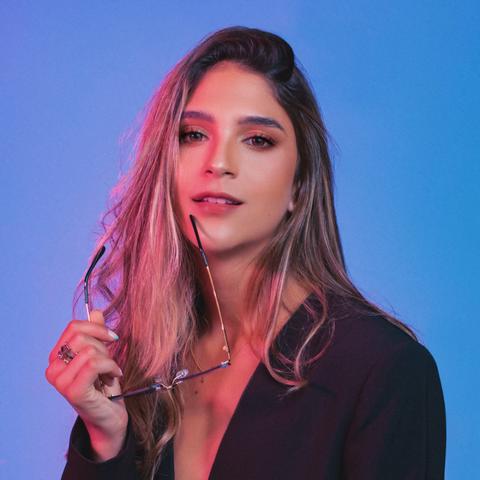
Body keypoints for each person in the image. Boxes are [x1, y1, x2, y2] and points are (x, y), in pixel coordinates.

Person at [46, 27, 446, 480]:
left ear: (299, 186)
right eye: (193, 134)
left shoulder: (382, 370)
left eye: (257, 139)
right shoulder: (140, 370)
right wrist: (105, 442)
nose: (218, 163)